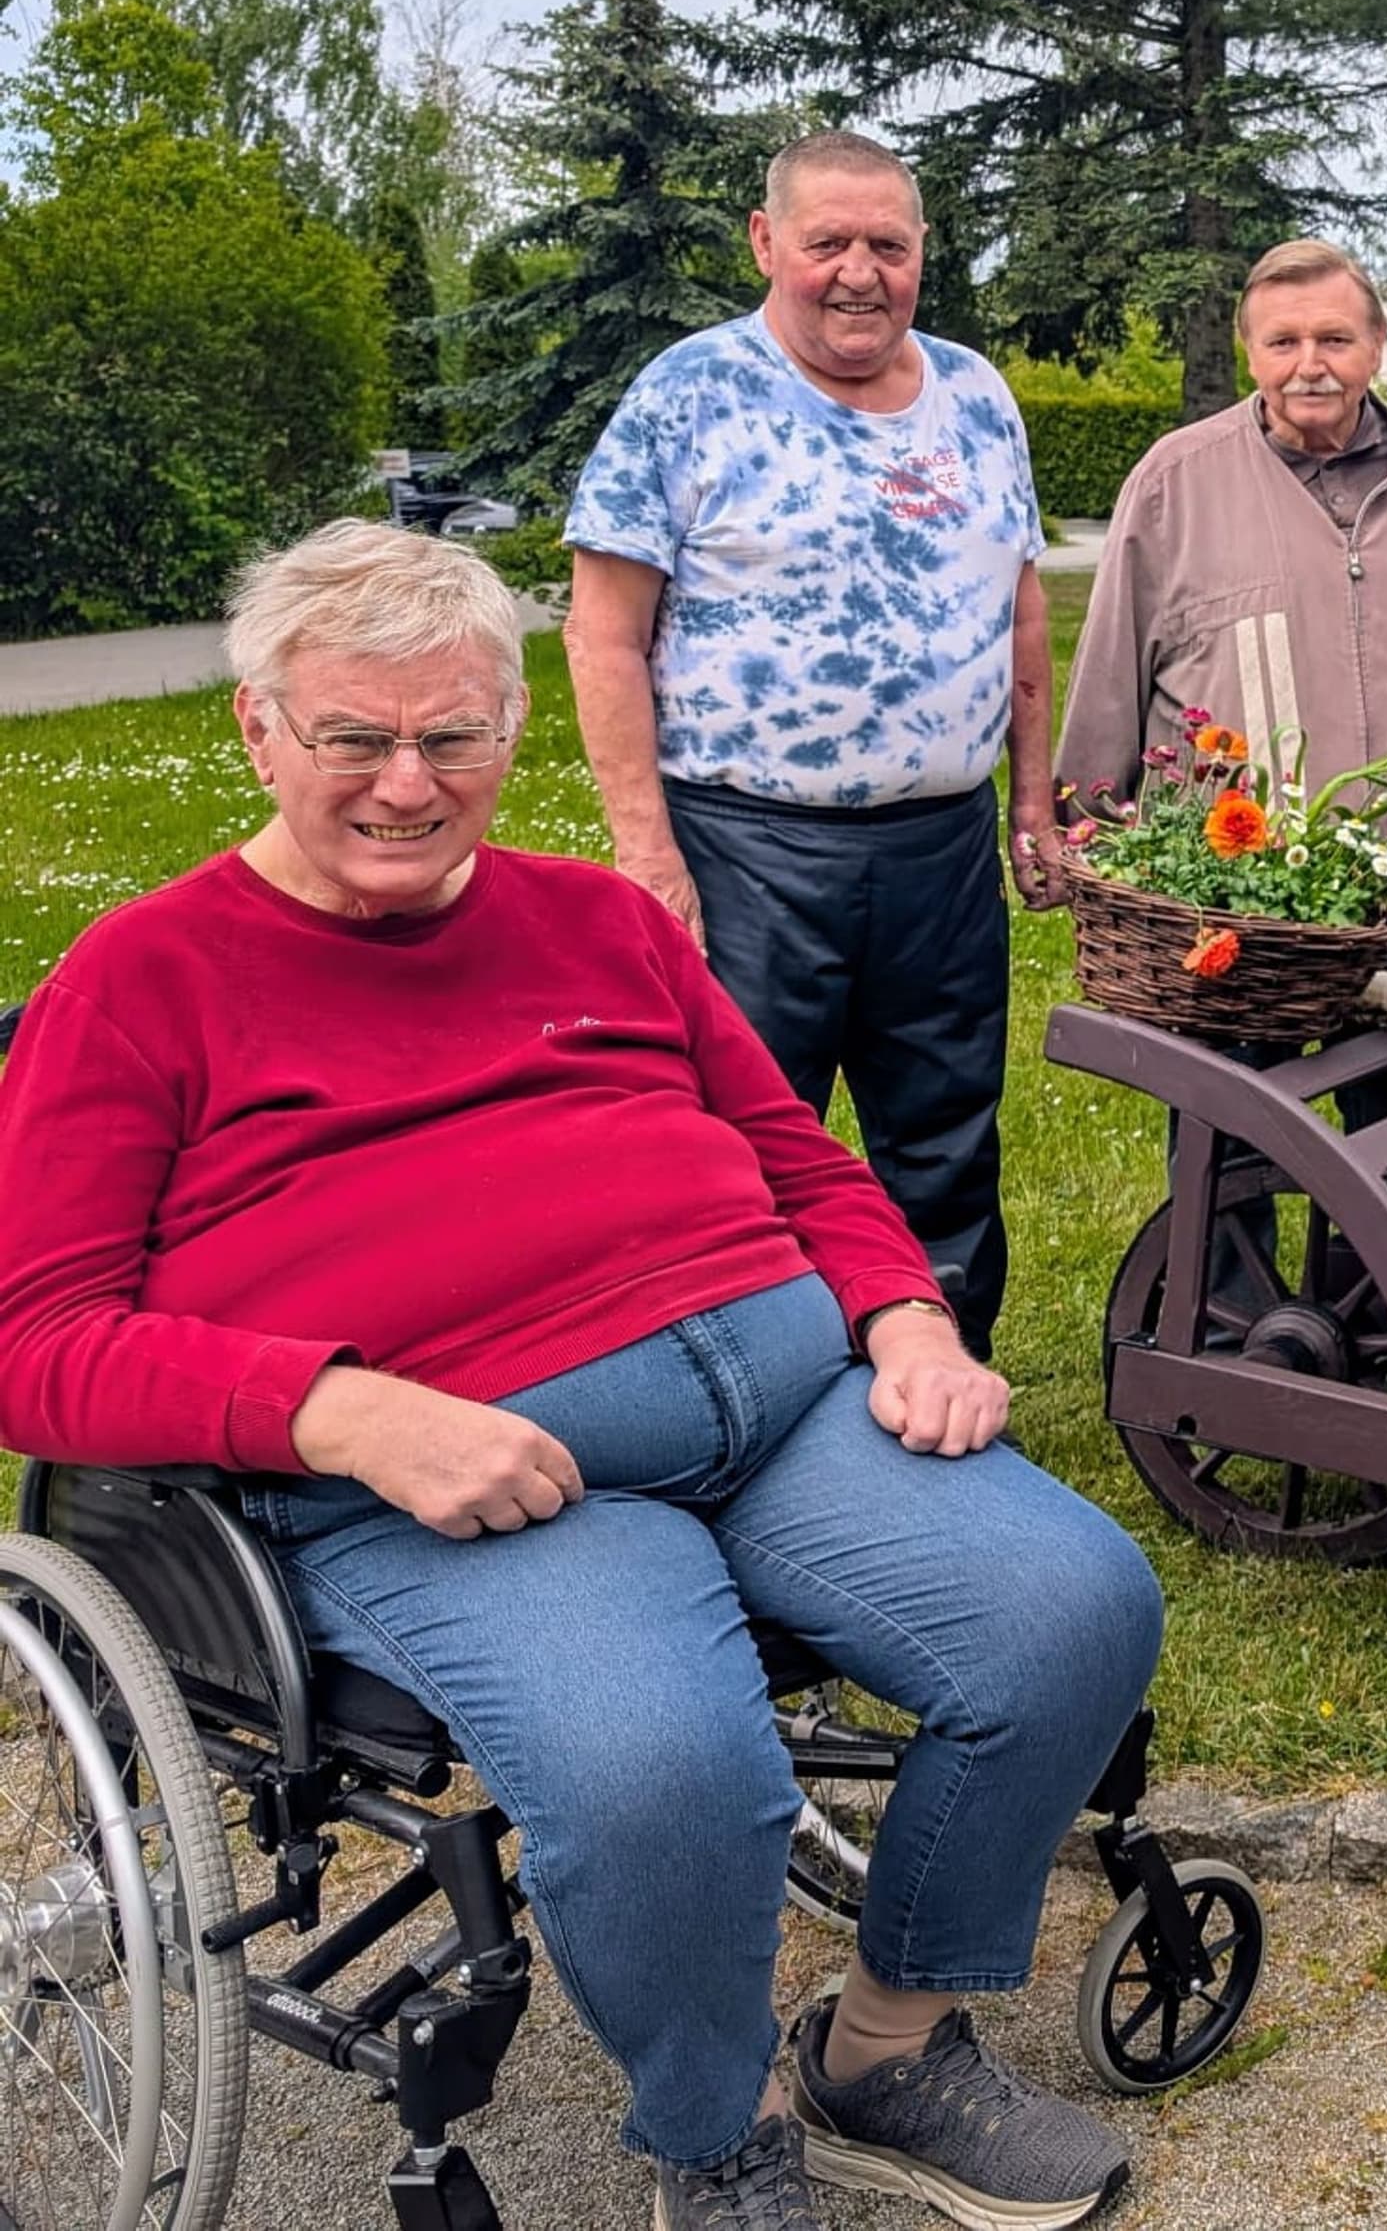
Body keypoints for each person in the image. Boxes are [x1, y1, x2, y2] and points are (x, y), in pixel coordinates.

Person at [0, 522, 1159, 2231]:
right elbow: (39, 1345)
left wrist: (904, 1314)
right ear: (259, 729)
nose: (410, 783)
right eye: (356, 738)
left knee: (1075, 1604)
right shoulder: (144, 980)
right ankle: (725, 2124)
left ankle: (885, 2043)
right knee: (662, 1771)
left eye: (453, 735)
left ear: (512, 725)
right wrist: (345, 1407)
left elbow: (802, 1158)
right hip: (480, 1480)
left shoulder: (602, 921)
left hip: (785, 1405)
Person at [565, 129, 1058, 1358]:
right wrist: (648, 851)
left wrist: (1031, 805)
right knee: (741, 1135)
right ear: (765, 242)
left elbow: (1024, 607)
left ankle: (946, 1379)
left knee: (945, 1134)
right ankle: (757, 1384)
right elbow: (601, 636)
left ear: (922, 255)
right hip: (748, 848)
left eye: (886, 245)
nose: (857, 272)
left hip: (942, 847)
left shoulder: (977, 395)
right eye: (827, 241)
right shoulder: (689, 395)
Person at [1057, 237, 1387, 1227]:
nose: (1308, 362)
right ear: (1249, 352)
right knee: (1234, 1125)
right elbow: (1111, 666)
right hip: (1241, 895)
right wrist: (1086, 827)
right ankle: (1224, 1338)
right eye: (1281, 341)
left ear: (1377, 345)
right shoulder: (1177, 479)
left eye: (1333, 337)